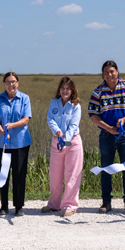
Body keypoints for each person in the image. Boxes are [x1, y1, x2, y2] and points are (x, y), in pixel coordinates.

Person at [88, 60, 125, 215]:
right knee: (106, 168)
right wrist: (109, 128)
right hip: (106, 135)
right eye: (106, 72)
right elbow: (93, 115)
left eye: (112, 71)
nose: (109, 75)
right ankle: (106, 201)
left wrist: (124, 120)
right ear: (103, 74)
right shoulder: (98, 91)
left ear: (117, 71)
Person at [0, 72, 32, 217]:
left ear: (18, 83)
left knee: (19, 174)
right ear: (4, 84)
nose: (11, 85)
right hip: (1, 143)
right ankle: (3, 206)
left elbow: (26, 119)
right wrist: (3, 131)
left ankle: (19, 206)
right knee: (4, 174)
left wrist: (12, 125)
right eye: (8, 82)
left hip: (20, 143)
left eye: (14, 82)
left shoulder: (24, 98)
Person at [43, 77, 84, 217]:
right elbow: (50, 119)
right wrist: (57, 131)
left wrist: (64, 141)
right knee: (54, 174)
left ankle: (69, 205)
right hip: (57, 141)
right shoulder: (53, 102)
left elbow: (73, 126)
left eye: (67, 88)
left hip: (72, 143)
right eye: (62, 88)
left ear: (72, 90)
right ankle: (54, 204)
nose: (64, 91)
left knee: (71, 175)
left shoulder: (76, 105)